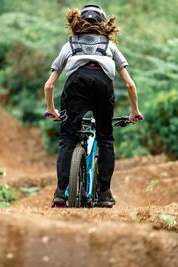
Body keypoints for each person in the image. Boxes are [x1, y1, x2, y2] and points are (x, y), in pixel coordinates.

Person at [44, 4, 142, 208]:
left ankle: (60, 194)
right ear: (102, 24)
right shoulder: (110, 46)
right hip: (102, 86)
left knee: (67, 139)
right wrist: (134, 112)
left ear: (79, 24)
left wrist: (51, 109)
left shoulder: (69, 45)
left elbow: (49, 85)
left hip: (75, 86)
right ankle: (104, 194)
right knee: (105, 138)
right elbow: (130, 84)